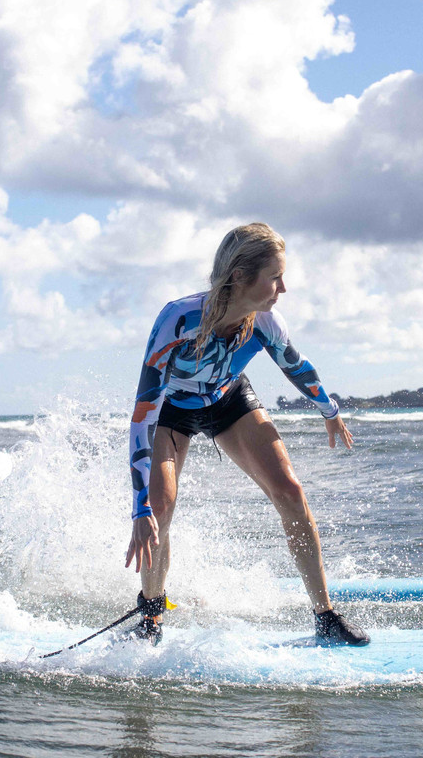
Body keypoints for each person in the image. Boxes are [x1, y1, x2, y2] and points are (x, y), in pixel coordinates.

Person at [124, 222, 369, 647]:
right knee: (160, 506)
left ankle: (325, 615)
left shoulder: (265, 323)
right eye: (275, 276)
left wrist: (329, 410)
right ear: (239, 276)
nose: (283, 288)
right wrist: (139, 508)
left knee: (290, 490)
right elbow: (144, 410)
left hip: (228, 399)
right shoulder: (177, 320)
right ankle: (151, 615)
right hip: (172, 411)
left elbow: (297, 365)